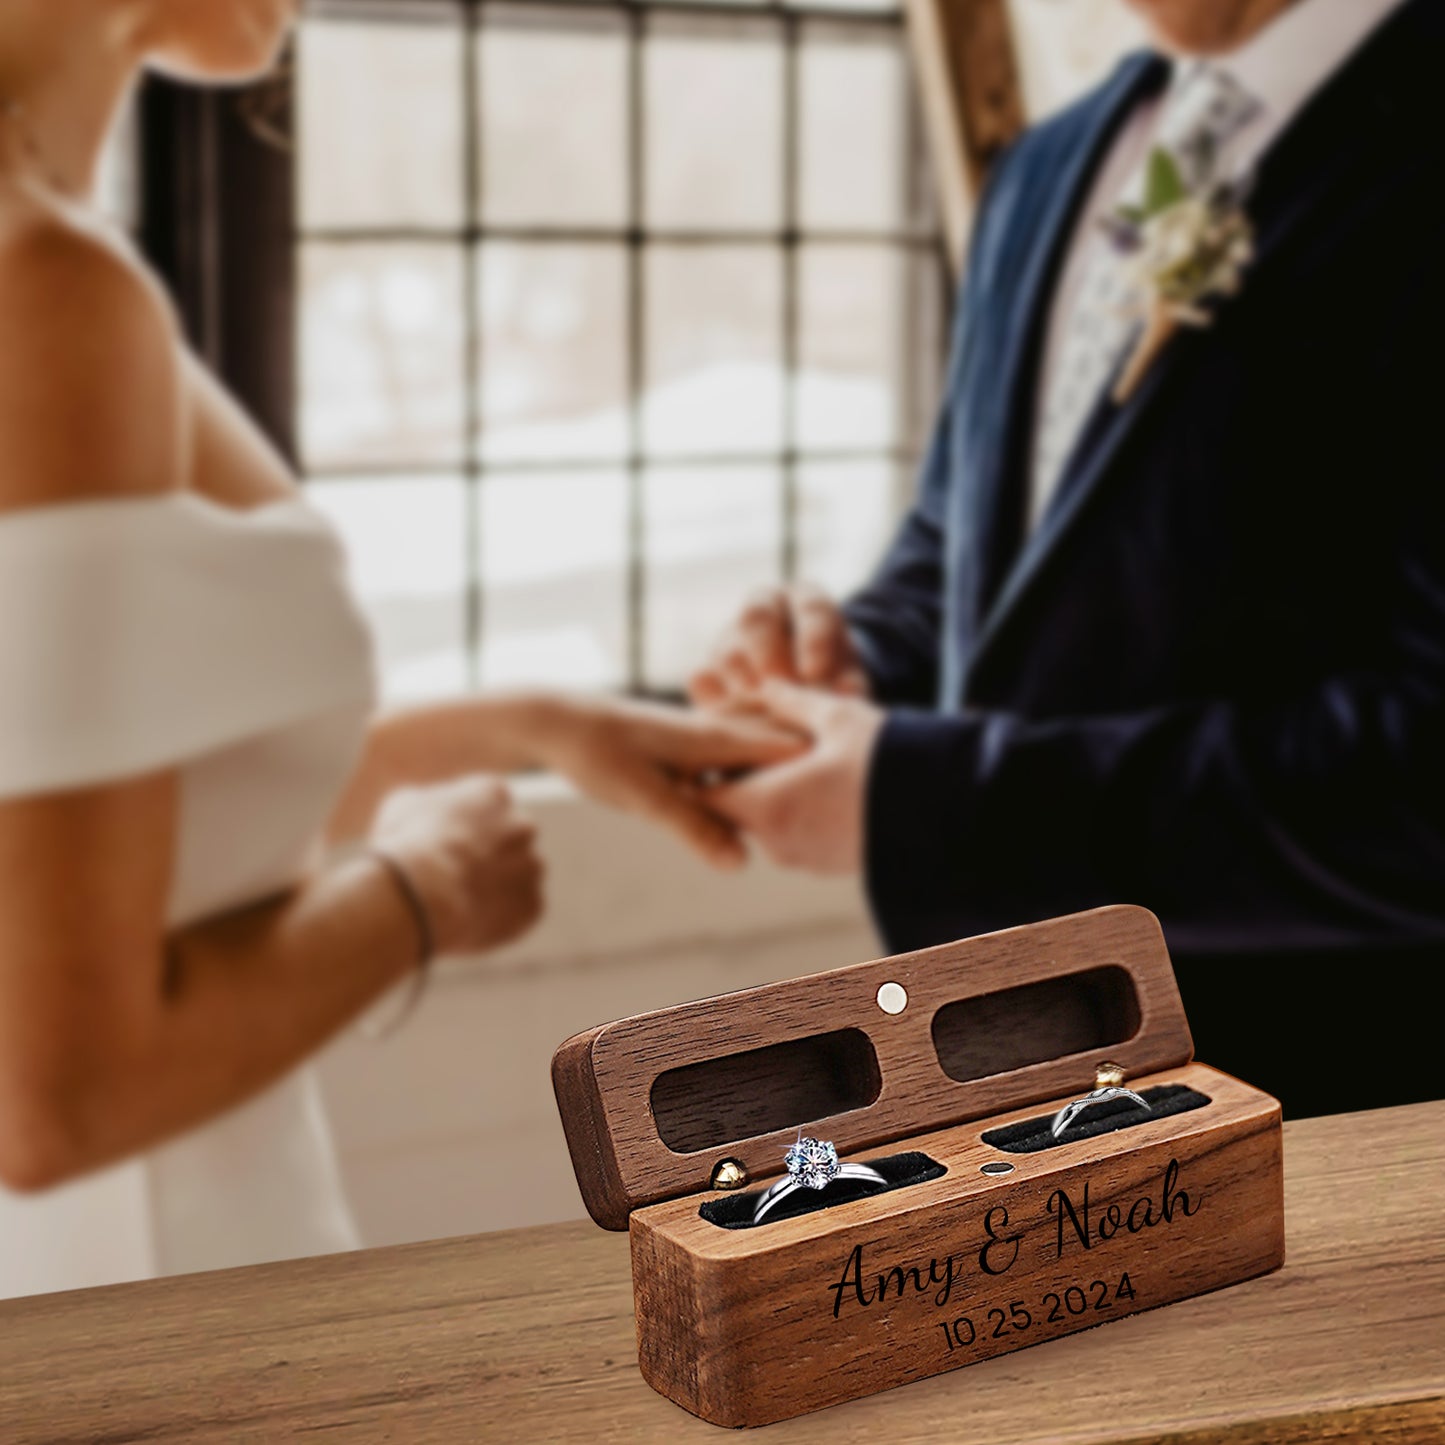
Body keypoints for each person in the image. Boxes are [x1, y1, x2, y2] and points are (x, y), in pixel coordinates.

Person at [0, 0, 800, 1300]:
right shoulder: (46, 294)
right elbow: (58, 1096)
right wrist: (422, 895)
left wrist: (527, 727)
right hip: (122, 1289)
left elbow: (101, 834)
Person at [696, 0, 1443, 1119]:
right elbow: (975, 540)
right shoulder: (1048, 165)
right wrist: (858, 657)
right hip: (1028, 1093)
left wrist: (923, 797)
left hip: (1351, 1118)